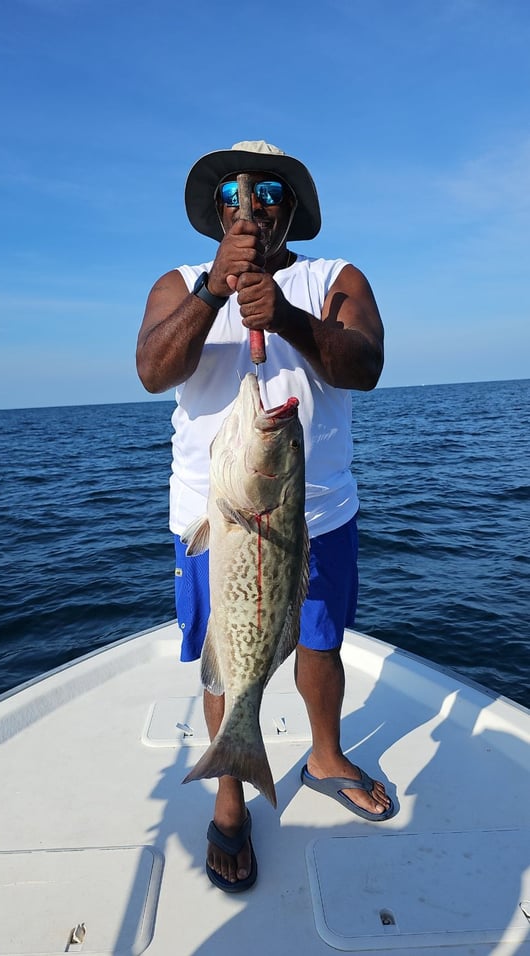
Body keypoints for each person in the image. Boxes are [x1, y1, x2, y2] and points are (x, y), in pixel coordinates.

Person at [136, 140, 394, 893]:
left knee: (318, 640)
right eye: (236, 192)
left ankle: (323, 754)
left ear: (292, 208)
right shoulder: (180, 283)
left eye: (271, 189)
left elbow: (366, 364)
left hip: (320, 513)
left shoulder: (331, 279)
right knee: (229, 650)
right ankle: (228, 788)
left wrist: (283, 316)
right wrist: (215, 292)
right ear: (217, 212)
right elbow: (154, 369)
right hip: (216, 517)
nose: (252, 203)